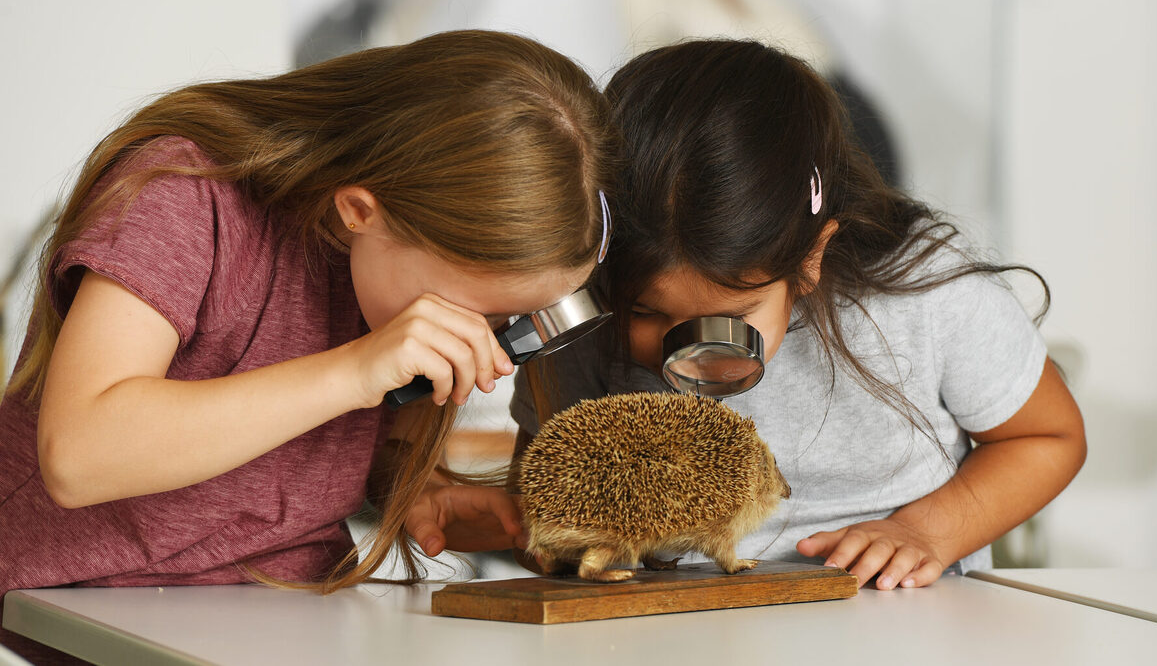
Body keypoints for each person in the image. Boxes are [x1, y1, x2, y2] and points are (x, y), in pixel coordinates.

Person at [0, 30, 616, 603]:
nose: (484, 352)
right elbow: (77, 457)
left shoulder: (385, 277)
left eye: (508, 324)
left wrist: (418, 492)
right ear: (359, 210)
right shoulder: (180, 192)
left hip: (287, 607)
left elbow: (316, 458)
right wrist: (352, 370)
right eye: (471, 314)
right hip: (83, 600)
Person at [510, 38, 1086, 590]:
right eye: (644, 312)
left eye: (732, 319)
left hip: (892, 611)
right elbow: (550, 491)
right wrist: (529, 531)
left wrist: (924, 531)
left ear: (810, 257)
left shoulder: (924, 294)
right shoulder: (582, 320)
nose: (684, 351)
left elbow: (1048, 437)